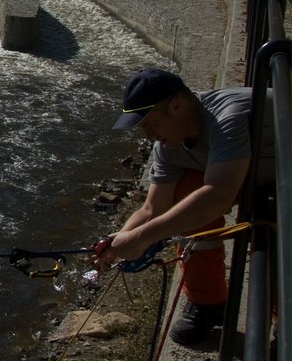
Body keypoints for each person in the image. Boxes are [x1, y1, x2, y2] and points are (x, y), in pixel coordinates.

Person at [94, 69, 255, 345]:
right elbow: (152, 209)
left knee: (276, 227)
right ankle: (208, 302)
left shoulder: (227, 118)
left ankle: (287, 326)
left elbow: (218, 196)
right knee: (186, 196)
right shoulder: (168, 147)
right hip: (252, 174)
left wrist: (141, 238)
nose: (149, 137)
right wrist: (119, 239)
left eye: (150, 125)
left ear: (176, 106)